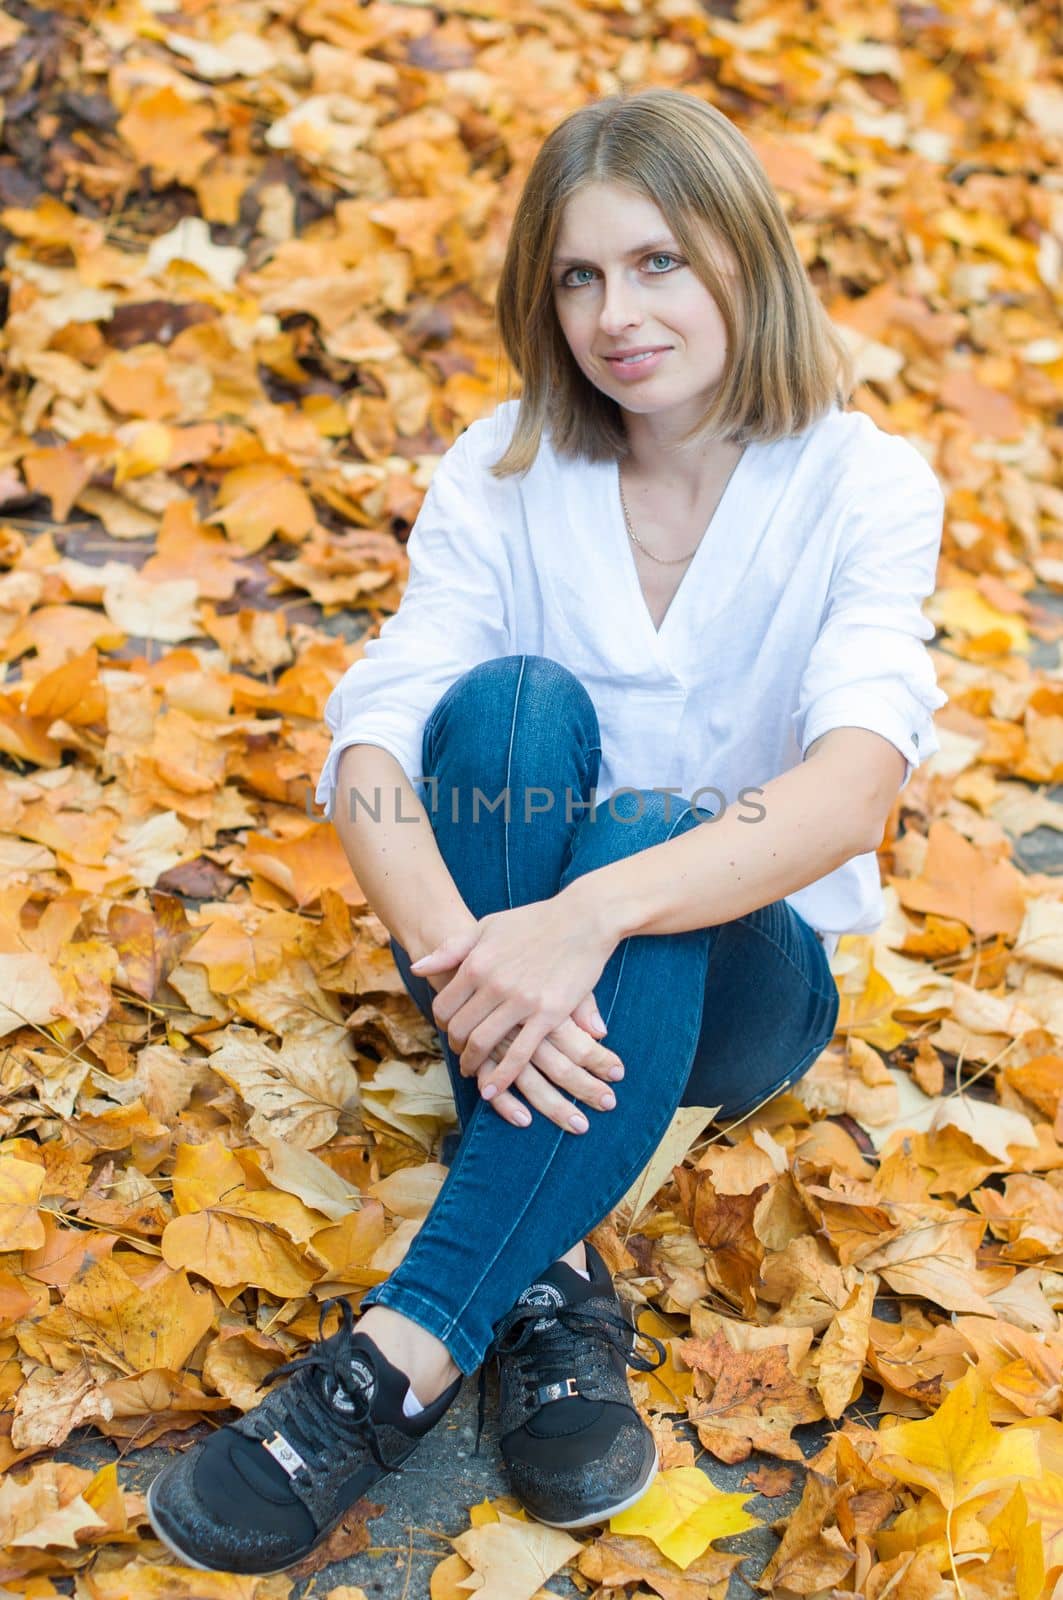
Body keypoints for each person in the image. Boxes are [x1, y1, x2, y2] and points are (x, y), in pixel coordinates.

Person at [146, 86, 947, 1575]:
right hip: (499, 970)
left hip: (743, 990)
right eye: (577, 277)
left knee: (644, 836)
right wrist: (471, 965)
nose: (614, 313)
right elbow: (374, 748)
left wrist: (585, 917)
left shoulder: (862, 482)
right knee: (503, 709)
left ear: (742, 260)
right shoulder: (508, 465)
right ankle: (549, 1293)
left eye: (657, 263)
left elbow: (849, 787)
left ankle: (391, 1355)